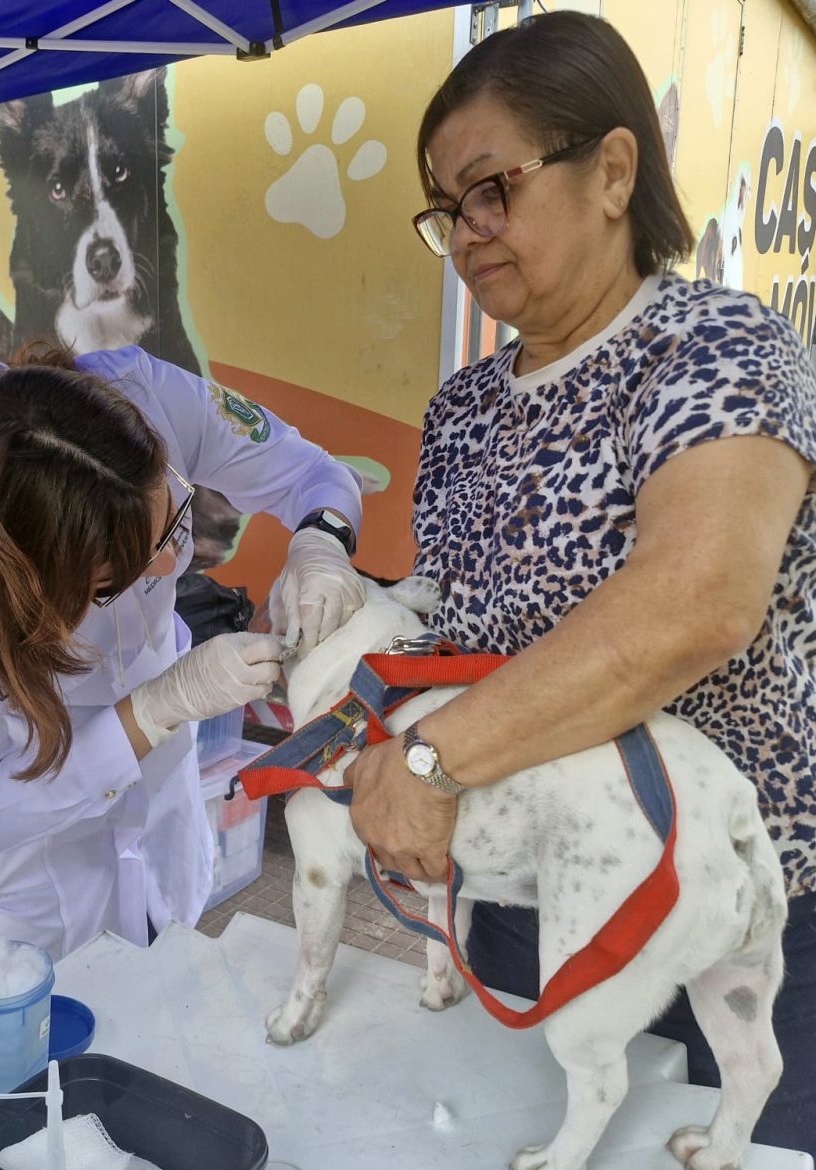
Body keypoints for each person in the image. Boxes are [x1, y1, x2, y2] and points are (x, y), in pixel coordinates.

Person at [343, 11, 816, 1159]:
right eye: (448, 208)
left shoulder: (718, 350)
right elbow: (452, 615)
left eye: (492, 188)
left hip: (711, 901)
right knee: (529, 1128)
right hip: (522, 886)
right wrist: (341, 629)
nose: (468, 231)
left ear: (614, 169)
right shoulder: (463, 406)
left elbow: (694, 606)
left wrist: (429, 759)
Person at [0, 344, 366, 958]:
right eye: (119, 574)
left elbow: (313, 474)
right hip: (38, 890)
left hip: (162, 826)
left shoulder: (148, 398)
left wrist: (321, 544)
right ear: (29, 582)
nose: (166, 567)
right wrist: (155, 709)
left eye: (169, 523)